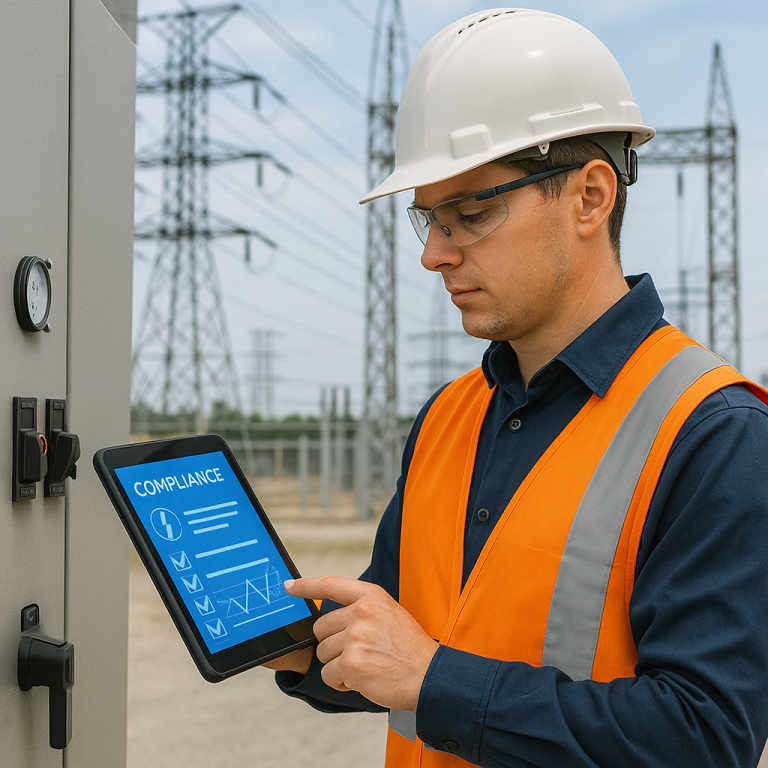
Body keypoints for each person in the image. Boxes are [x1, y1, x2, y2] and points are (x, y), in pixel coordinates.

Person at [267, 9, 768, 767]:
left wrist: (433, 679)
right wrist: (299, 648)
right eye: (428, 218)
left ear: (590, 198)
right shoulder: (448, 417)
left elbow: (702, 736)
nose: (435, 254)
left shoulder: (715, 432)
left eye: (472, 212)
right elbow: (398, 652)